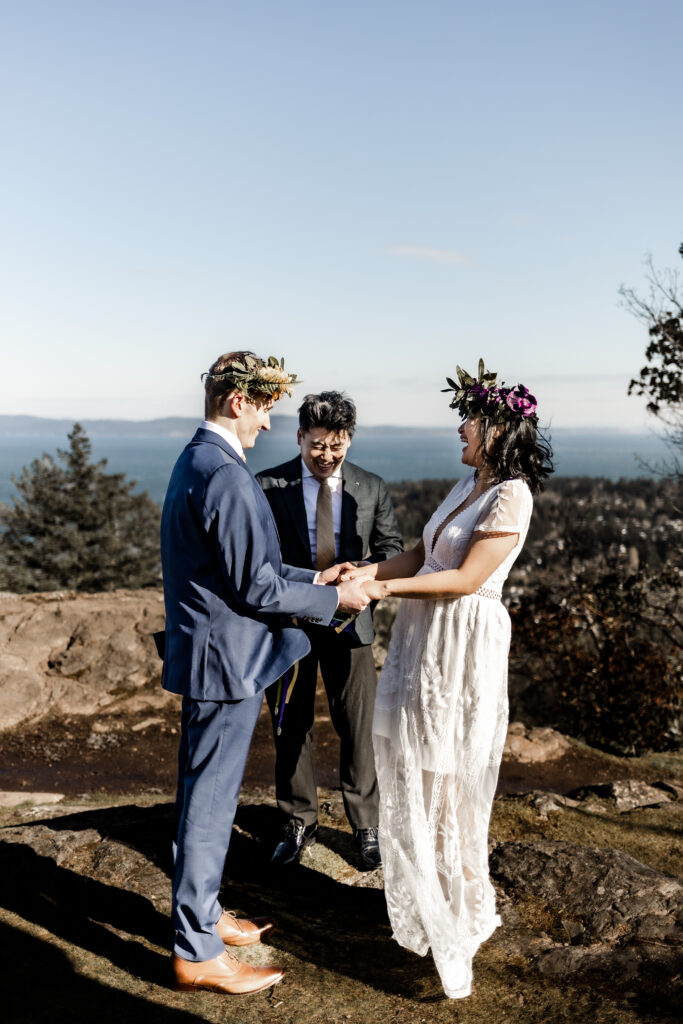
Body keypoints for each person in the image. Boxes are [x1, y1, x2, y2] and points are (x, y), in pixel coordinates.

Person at [160, 352, 369, 996]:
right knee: (209, 801)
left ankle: (205, 914)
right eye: (266, 406)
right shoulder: (221, 471)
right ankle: (195, 949)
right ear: (238, 401)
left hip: (216, 654)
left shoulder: (200, 459)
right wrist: (336, 602)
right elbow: (253, 584)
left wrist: (316, 578)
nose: (272, 423)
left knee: (210, 796)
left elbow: (253, 567)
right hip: (224, 660)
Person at [342, 360, 553, 998]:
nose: (461, 427)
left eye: (472, 418)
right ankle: (435, 903)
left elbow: (465, 579)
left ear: (499, 428)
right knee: (420, 765)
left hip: (463, 642)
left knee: (451, 777)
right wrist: (367, 567)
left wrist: (384, 589)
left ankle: (456, 917)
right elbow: (429, 554)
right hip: (426, 635)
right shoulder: (468, 482)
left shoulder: (510, 493)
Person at [256, 392, 403, 868]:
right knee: (290, 724)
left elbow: (391, 548)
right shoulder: (266, 484)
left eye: (337, 447)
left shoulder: (372, 486)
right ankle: (299, 819)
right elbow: (262, 560)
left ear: (349, 440)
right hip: (291, 622)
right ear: (300, 436)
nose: (327, 456)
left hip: (352, 623)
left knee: (357, 728)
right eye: (317, 445)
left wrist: (360, 572)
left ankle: (366, 825)